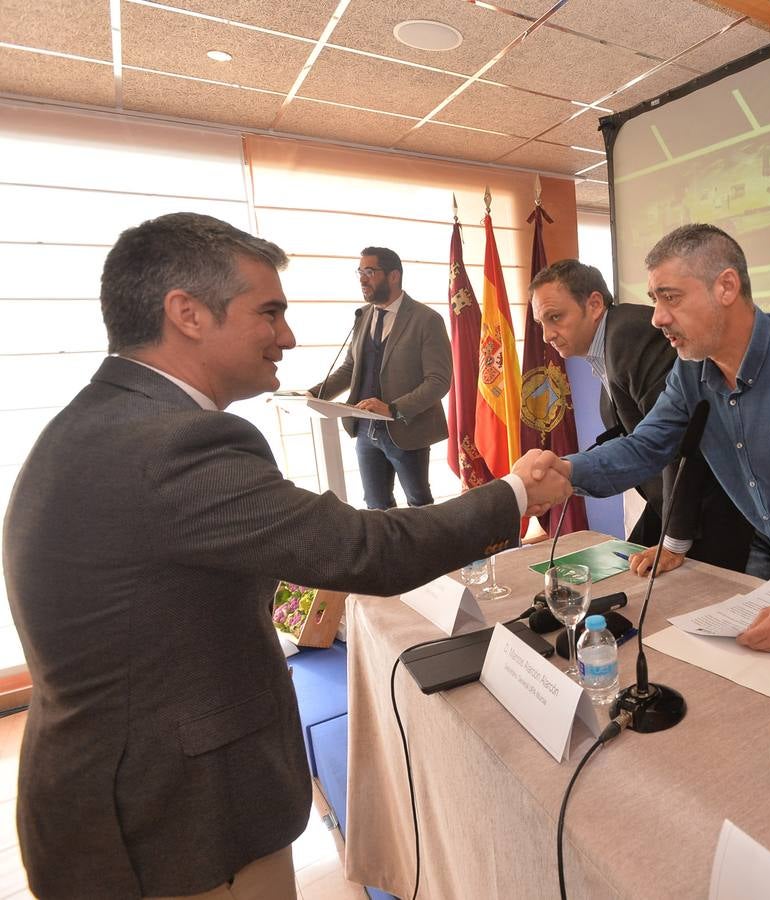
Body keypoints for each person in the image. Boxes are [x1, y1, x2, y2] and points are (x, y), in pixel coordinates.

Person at [2, 212, 570, 898]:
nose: (287, 336)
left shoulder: (97, 420)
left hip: (106, 796)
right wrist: (513, 491)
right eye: (268, 312)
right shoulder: (177, 444)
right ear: (186, 313)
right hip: (178, 824)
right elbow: (365, 549)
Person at [560, 225, 770, 655]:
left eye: (671, 297)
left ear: (726, 286)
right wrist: (567, 472)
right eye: (654, 300)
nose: (657, 318)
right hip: (766, 548)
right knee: (752, 679)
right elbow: (647, 445)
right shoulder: (691, 370)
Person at [528, 258, 753, 572]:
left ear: (594, 304)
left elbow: (675, 441)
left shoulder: (630, 335)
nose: (546, 335)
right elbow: (632, 436)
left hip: (708, 512)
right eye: (542, 323)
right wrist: (567, 471)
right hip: (672, 507)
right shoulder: (607, 345)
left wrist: (674, 541)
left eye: (555, 317)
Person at [310, 247, 450, 509]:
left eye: (370, 272)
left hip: (406, 430)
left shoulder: (426, 320)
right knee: (376, 506)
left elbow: (439, 381)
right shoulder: (363, 316)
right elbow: (351, 369)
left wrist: (393, 409)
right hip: (365, 430)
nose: (363, 279)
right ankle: (390, 552)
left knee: (419, 506)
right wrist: (312, 394)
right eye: (360, 272)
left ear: (394, 276)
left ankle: (427, 550)